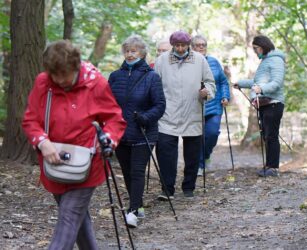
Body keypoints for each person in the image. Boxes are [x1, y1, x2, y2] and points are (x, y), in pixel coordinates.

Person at [22, 40, 126, 250]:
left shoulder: (95, 83)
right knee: (76, 218)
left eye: (65, 75)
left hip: (88, 164)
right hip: (54, 164)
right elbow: (30, 120)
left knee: (69, 216)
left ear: (76, 67)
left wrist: (107, 139)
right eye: (55, 75)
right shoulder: (44, 83)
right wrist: (42, 142)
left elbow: (115, 119)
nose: (60, 80)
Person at [108, 35, 166, 228]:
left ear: (142, 53)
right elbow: (107, 104)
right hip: (121, 133)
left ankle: (132, 211)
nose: (130, 54)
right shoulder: (115, 76)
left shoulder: (152, 77)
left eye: (134, 51)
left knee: (137, 171)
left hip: (143, 132)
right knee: (126, 171)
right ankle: (138, 204)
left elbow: (159, 105)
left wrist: (145, 117)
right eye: (127, 51)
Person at [154, 30, 216, 199]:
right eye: (177, 46)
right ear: (172, 45)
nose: (180, 49)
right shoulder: (161, 61)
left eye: (183, 45)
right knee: (166, 153)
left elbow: (211, 83)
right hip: (167, 114)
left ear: (189, 45)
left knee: (192, 154)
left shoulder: (200, 60)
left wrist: (207, 92)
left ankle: (189, 186)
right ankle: (167, 189)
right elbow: (154, 85)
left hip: (193, 111)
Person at [234, 35, 285, 177]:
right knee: (267, 136)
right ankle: (269, 166)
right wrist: (241, 83)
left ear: (262, 46)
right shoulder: (266, 61)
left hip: (273, 103)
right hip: (265, 104)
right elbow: (258, 82)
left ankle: (273, 168)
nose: (255, 51)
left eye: (256, 48)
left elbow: (277, 83)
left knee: (271, 136)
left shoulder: (276, 60)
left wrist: (261, 90)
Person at [191, 35, 231, 176]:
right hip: (194, 106)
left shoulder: (214, 62)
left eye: (204, 45)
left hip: (214, 105)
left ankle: (205, 156)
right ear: (192, 47)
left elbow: (223, 82)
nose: (201, 47)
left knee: (212, 134)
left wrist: (225, 96)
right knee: (196, 138)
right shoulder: (188, 64)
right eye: (198, 45)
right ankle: (199, 165)